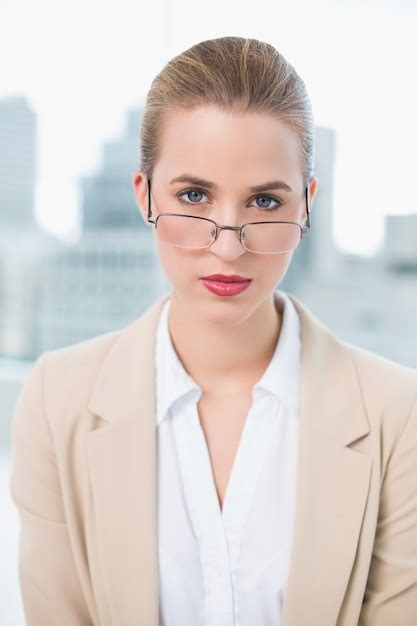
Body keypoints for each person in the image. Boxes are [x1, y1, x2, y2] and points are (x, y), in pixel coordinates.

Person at [9, 36, 417, 626]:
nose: (227, 245)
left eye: (265, 202)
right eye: (194, 195)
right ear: (144, 194)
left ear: (307, 204)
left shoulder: (398, 416)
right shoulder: (55, 400)